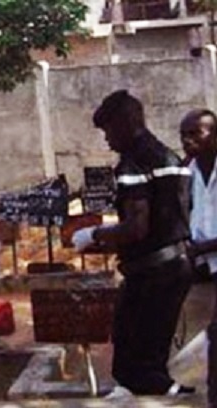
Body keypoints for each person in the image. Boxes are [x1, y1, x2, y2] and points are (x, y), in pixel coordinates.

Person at [72, 90, 194, 396]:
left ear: (126, 123)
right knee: (149, 357)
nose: (107, 140)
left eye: (109, 131)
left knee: (134, 365)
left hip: (151, 273)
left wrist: (94, 235)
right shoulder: (172, 158)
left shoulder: (133, 164)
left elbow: (137, 228)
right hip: (175, 266)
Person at [180, 109, 217, 408]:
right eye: (184, 135)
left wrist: (201, 248)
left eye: (196, 133)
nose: (188, 140)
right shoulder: (188, 172)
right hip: (204, 266)